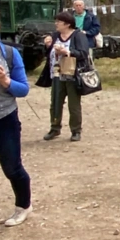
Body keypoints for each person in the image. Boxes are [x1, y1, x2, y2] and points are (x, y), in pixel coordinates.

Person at [0, 18, 33, 226]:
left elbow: (23, 89)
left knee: (12, 168)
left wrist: (5, 81)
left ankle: (23, 206)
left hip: (4, 119)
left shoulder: (9, 54)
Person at [36, 12, 89, 142]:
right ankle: (55, 128)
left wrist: (67, 52)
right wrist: (48, 45)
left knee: (73, 105)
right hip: (56, 74)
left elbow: (83, 53)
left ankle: (76, 130)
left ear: (67, 24)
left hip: (73, 75)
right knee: (55, 103)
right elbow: (48, 53)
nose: (56, 24)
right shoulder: (55, 35)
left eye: (58, 22)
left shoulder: (78, 36)